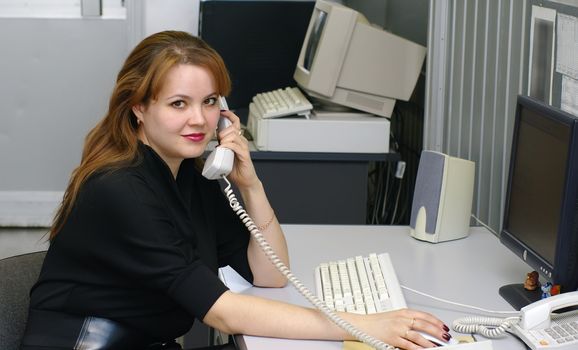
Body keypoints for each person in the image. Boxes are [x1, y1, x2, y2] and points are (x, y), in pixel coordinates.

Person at [21, 31, 449, 350]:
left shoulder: (187, 171)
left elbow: (269, 273)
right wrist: (362, 325)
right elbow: (221, 312)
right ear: (138, 107)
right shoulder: (121, 189)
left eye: (209, 102)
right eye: (178, 103)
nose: (199, 120)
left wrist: (251, 184)